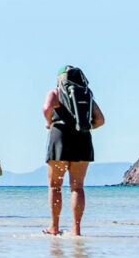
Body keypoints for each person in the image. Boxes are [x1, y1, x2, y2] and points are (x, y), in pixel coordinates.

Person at [43, 65, 105, 236]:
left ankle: (54, 227)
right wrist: (85, 126)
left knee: (55, 185)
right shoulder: (86, 94)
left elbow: (46, 108)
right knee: (77, 187)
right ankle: (76, 229)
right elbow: (100, 120)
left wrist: (49, 122)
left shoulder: (55, 92)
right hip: (82, 139)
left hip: (60, 138)